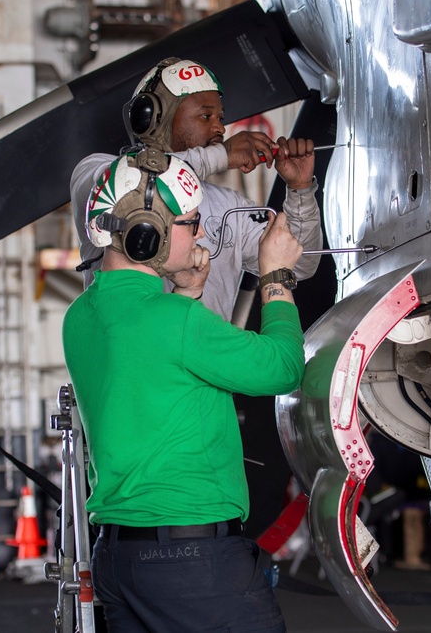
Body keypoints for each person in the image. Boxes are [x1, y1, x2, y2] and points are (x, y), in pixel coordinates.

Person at [62, 146, 305, 632]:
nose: (199, 233)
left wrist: (188, 291)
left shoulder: (80, 316)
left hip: (120, 559)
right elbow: (281, 367)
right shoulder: (177, 322)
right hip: (194, 563)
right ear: (145, 233)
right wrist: (277, 276)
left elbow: (150, 368)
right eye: (190, 222)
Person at [71, 56, 323, 321]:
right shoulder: (98, 176)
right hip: (135, 357)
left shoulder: (231, 208)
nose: (219, 127)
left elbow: (302, 263)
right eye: (206, 115)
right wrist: (221, 155)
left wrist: (300, 190)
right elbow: (141, 181)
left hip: (205, 361)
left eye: (220, 117)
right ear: (153, 120)